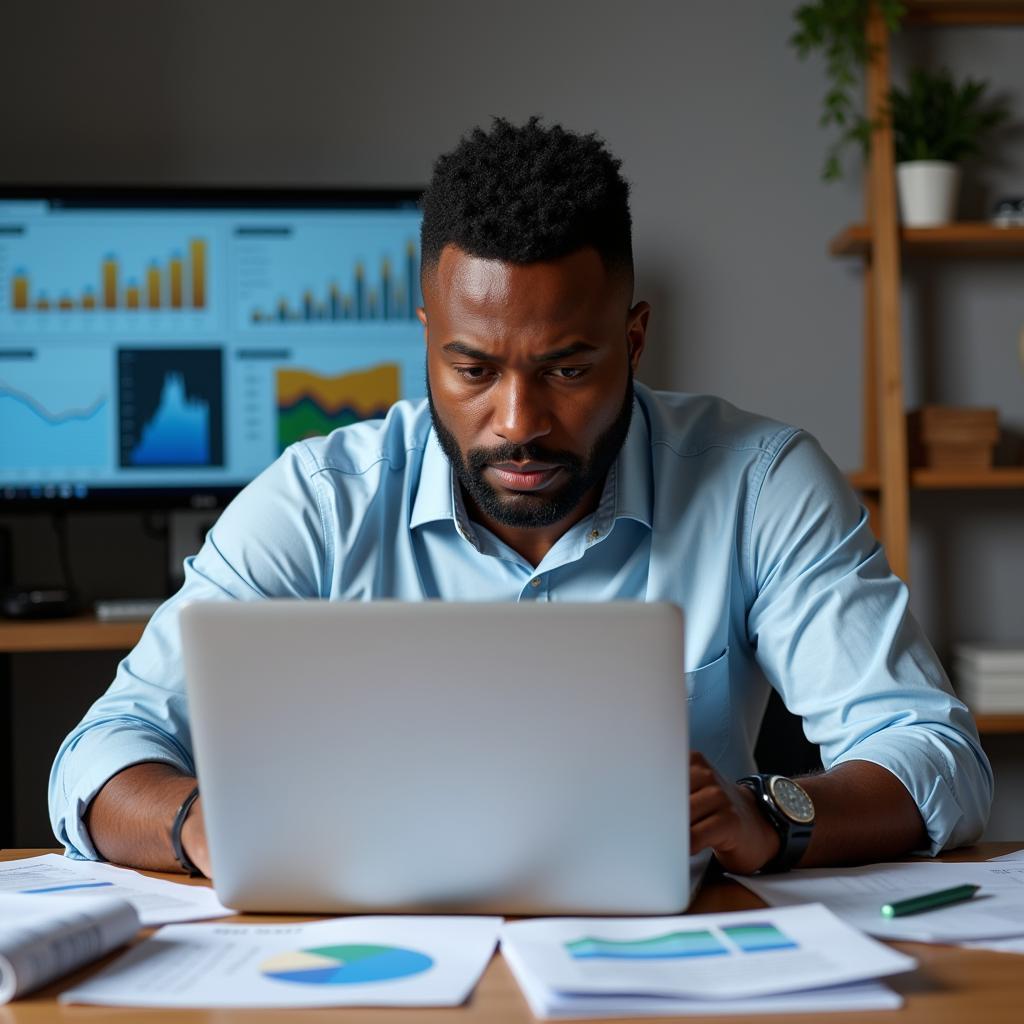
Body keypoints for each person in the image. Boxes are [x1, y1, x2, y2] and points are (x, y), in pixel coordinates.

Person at [50, 117, 991, 881]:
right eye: (472, 368)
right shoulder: (317, 499)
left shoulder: (760, 481)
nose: (518, 421)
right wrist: (198, 825)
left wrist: (771, 812)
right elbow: (101, 752)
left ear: (634, 338)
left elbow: (932, 750)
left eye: (567, 368)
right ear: (427, 338)